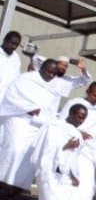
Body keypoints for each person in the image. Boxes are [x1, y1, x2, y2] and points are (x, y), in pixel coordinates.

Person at [28, 102, 89, 200]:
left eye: (84, 118)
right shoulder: (54, 127)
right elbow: (45, 151)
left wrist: (74, 175)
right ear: (71, 113)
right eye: (80, 116)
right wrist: (65, 146)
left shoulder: (77, 133)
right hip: (49, 175)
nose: (81, 121)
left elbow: (74, 158)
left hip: (65, 178)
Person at [0, 58, 60, 189]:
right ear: (42, 68)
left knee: (30, 156)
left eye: (54, 73)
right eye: (49, 72)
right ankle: (2, 181)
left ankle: (17, 186)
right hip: (19, 119)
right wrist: (29, 108)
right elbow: (11, 97)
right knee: (14, 149)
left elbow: (52, 109)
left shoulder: (55, 87)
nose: (51, 76)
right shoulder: (25, 79)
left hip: (38, 125)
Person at [0, 31, 23, 97]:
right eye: (12, 43)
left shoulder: (16, 57)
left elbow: (16, 76)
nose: (14, 47)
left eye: (16, 45)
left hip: (8, 95)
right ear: (5, 40)